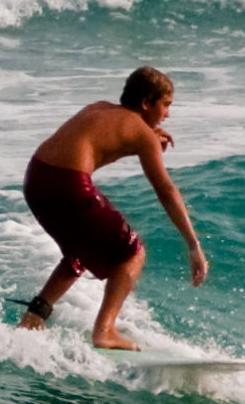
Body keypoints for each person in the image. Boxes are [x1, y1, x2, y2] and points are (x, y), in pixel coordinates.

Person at [16, 66, 207, 349]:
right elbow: (166, 191)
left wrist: (149, 132)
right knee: (131, 254)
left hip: (35, 179)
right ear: (146, 102)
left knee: (78, 252)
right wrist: (193, 244)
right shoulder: (142, 134)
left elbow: (109, 134)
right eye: (165, 105)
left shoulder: (98, 107)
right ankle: (104, 331)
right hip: (68, 185)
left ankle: (34, 316)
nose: (168, 114)